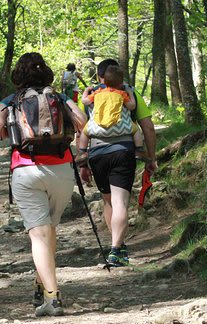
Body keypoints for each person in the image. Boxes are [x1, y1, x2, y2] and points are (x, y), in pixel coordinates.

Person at [0, 52, 86, 317]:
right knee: (50, 229)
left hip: (27, 169)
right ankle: (41, 285)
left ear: (19, 75)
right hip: (62, 169)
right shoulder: (59, 96)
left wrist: (10, 130)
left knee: (39, 234)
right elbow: (82, 121)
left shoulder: (13, 99)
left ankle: (52, 298)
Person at [77, 58, 157, 267]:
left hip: (96, 153)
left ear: (100, 77)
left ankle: (117, 244)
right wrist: (151, 156)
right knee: (121, 202)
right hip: (123, 151)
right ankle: (116, 249)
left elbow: (82, 130)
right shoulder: (128, 92)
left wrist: (83, 162)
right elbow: (147, 127)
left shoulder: (93, 95)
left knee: (108, 201)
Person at [76, 64, 136, 156]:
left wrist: (86, 91)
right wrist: (130, 93)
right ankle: (140, 150)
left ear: (104, 81)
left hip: (98, 129)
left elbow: (85, 101)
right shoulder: (122, 94)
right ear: (121, 83)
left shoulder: (97, 92)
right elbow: (131, 106)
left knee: (85, 132)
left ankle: (82, 152)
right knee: (136, 130)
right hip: (120, 128)